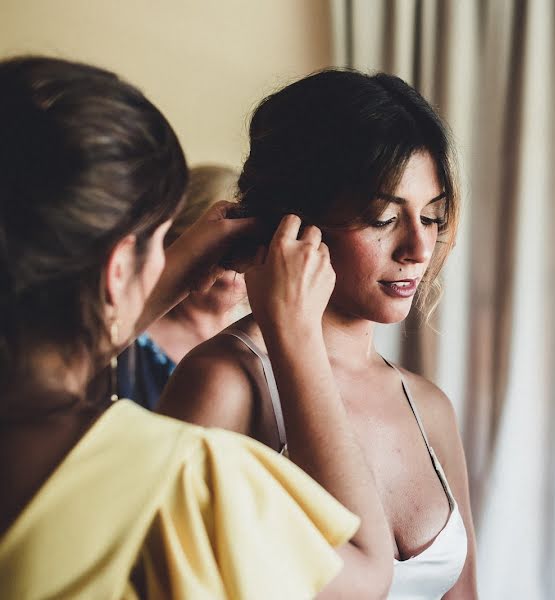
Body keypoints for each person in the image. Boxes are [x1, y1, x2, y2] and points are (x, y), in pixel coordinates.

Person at [0, 56, 363, 598]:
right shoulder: (186, 478)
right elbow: (366, 573)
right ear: (119, 267)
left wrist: (170, 270)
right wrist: (298, 336)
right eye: (164, 235)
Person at [157, 69, 478, 598]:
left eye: (432, 216)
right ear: (297, 220)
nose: (419, 249)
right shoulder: (223, 382)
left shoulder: (429, 407)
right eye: (382, 218)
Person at [116, 164, 248, 409]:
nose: (233, 265)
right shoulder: (122, 340)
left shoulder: (264, 337)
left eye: (247, 243)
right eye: (223, 244)